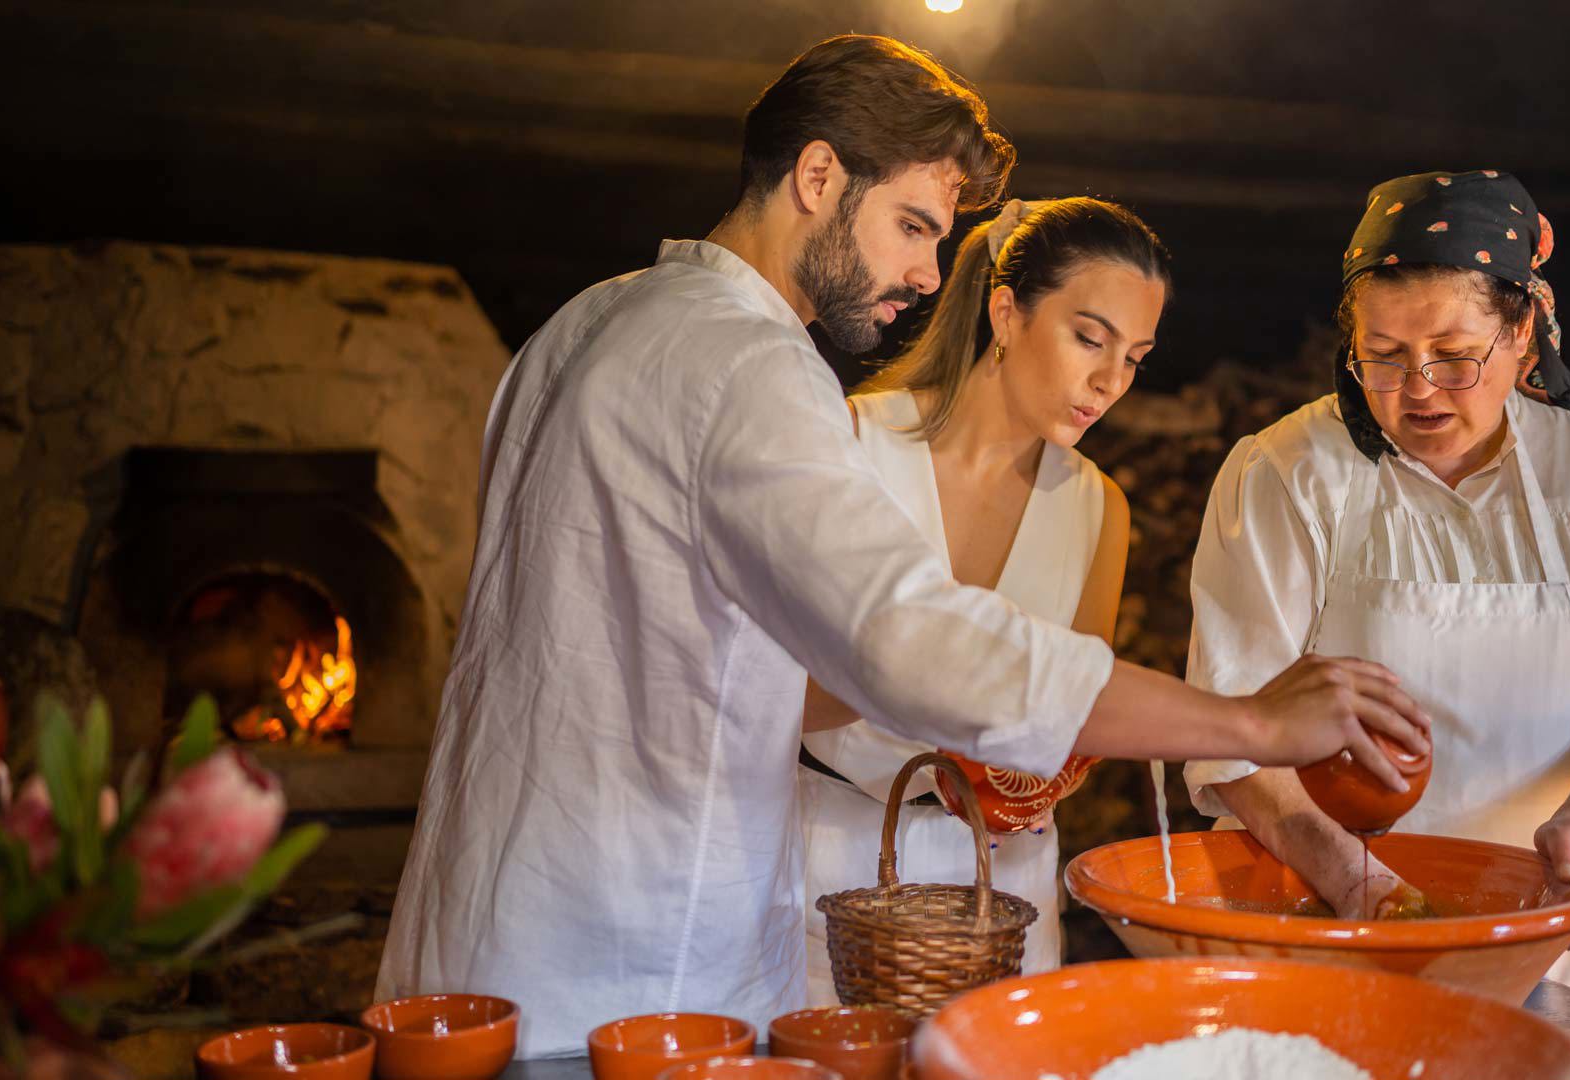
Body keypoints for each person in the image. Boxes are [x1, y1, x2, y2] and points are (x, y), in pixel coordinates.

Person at [376, 35, 1429, 1059]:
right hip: (632, 963)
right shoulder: (752, 364)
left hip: (474, 935)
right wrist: (1246, 719)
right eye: (914, 227)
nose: (932, 275)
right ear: (819, 176)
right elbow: (909, 640)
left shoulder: (578, 326)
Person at [1175, 169, 1570, 1009]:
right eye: (1383, 356)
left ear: (1525, 333)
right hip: (1335, 924)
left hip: (1555, 935)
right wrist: (1356, 880)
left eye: (1455, 357)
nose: (1417, 389)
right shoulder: (1286, 471)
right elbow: (1230, 728)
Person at [799, 196, 1166, 998]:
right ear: (1006, 313)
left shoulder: (1098, 506)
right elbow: (764, 684)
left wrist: (1035, 775)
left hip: (1001, 882)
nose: (1111, 382)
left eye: (1135, 357)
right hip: (830, 857)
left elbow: (1073, 720)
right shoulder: (851, 443)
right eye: (1089, 339)